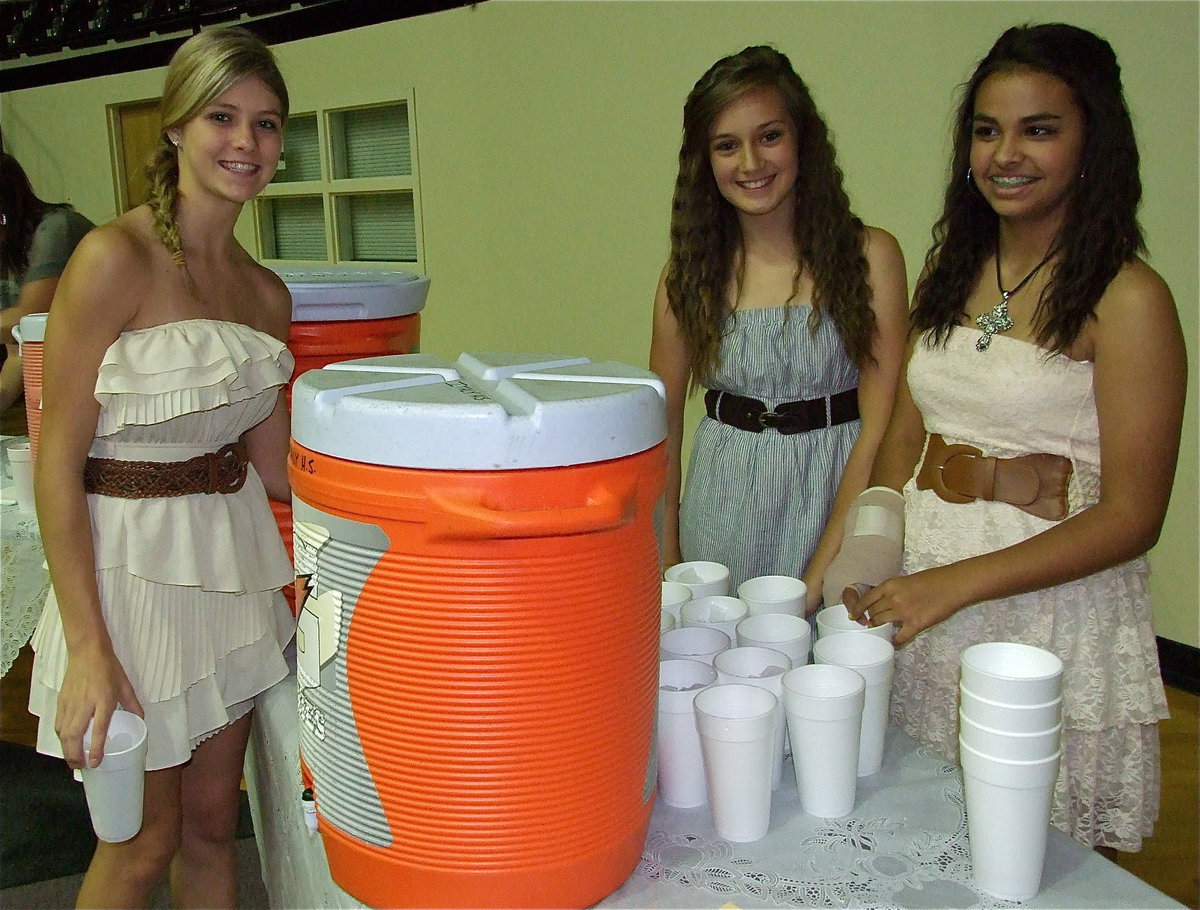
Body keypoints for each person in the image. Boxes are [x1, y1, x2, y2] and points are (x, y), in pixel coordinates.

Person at [840, 23, 1185, 854]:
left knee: (1032, 852)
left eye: (1039, 129)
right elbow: (906, 435)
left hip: (1045, 608)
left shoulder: (1128, 298)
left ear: (1093, 142)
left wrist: (956, 585)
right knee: (924, 834)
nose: (1005, 155)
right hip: (927, 591)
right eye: (987, 130)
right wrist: (872, 541)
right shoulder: (951, 270)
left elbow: (1134, 516)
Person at [28, 26, 296, 906]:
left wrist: (415, 488)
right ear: (176, 125)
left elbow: (277, 469)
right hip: (126, 580)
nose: (246, 142)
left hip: (228, 572)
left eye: (265, 123)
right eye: (223, 117)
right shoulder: (114, 258)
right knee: (140, 845)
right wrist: (89, 648)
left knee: (214, 832)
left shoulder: (265, 294)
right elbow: (55, 464)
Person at [649, 45, 908, 607]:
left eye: (769, 136)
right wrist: (668, 563)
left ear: (803, 140)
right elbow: (661, 429)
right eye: (726, 145)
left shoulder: (871, 257)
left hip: (835, 502)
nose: (750, 163)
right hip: (719, 510)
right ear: (703, 161)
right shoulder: (687, 276)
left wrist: (824, 565)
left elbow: (881, 425)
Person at [0, 153, 95, 411]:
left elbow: (31, 317)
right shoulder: (9, 251)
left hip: (104, 375)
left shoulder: (57, 229)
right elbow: (19, 353)